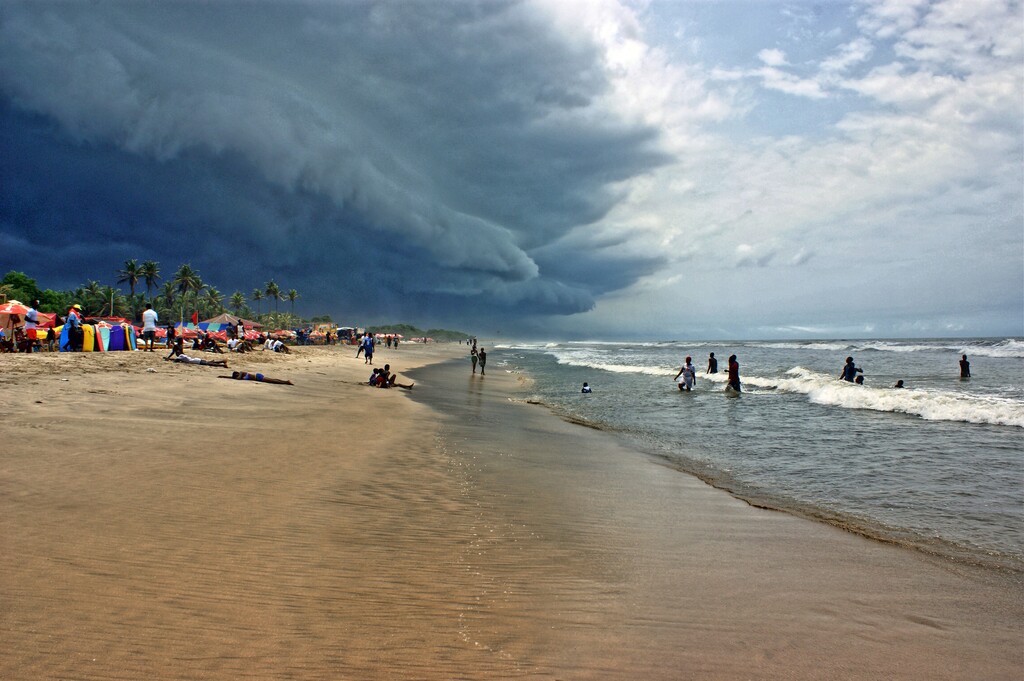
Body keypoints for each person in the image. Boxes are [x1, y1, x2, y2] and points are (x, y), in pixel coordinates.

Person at [164, 343, 228, 368]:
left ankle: (222, 364)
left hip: (196, 361)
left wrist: (169, 359)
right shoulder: (182, 355)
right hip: (196, 360)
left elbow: (176, 360)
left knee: (210, 364)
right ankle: (222, 362)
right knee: (209, 362)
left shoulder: (180, 356)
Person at [219, 371, 292, 385]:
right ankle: (285, 382)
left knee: (272, 381)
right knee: (272, 380)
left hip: (258, 377)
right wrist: (223, 376)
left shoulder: (241, 373)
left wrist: (236, 377)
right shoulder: (240, 376)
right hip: (257, 378)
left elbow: (238, 378)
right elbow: (233, 378)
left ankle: (286, 382)